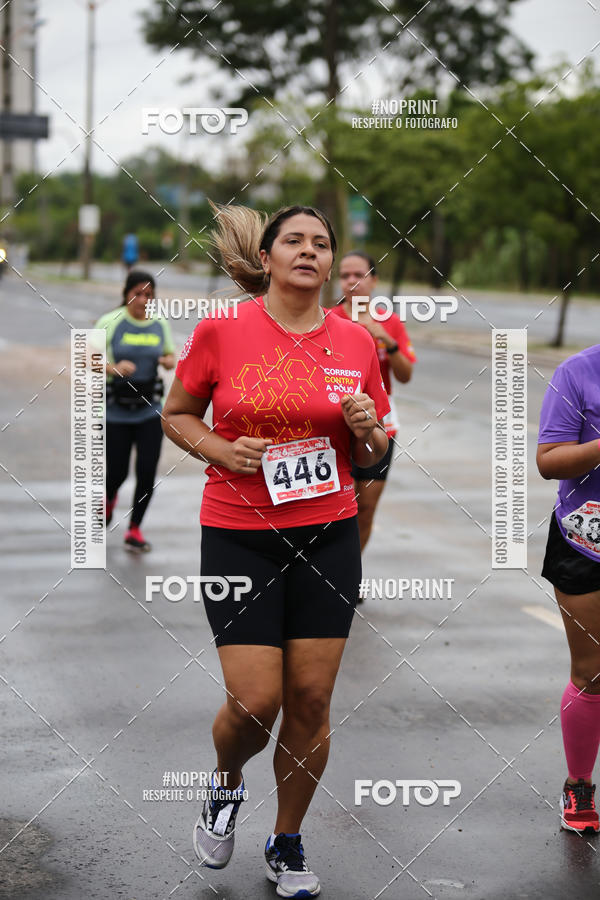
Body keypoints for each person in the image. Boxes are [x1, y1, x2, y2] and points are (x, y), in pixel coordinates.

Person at [162, 203, 390, 897]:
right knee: (257, 702)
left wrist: (365, 431)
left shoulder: (354, 342)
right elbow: (176, 414)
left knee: (312, 698)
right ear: (266, 259)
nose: (310, 251)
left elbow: (376, 450)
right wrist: (225, 450)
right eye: (294, 240)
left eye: (322, 243)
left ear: (330, 263)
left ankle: (286, 842)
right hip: (239, 535)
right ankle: (225, 783)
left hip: (328, 536)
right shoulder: (221, 332)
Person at [537, 343, 600, 833]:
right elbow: (551, 461)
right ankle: (579, 785)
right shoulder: (578, 372)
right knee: (592, 672)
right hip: (586, 540)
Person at [331, 251, 416, 555]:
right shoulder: (328, 320)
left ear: (374, 280)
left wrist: (386, 340)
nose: (352, 282)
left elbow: (405, 375)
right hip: (334, 423)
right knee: (339, 507)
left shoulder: (390, 322)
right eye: (345, 276)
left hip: (380, 424)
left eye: (359, 275)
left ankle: (351, 572)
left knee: (364, 507)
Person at [95, 270, 175, 551]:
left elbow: (170, 355)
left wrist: (167, 361)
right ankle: (108, 500)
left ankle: (135, 529)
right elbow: (84, 356)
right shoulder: (111, 321)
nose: (142, 300)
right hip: (117, 410)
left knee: (146, 471)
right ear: (126, 293)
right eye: (137, 293)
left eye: (148, 295)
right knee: (117, 472)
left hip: (150, 411)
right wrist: (112, 368)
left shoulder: (159, 324)